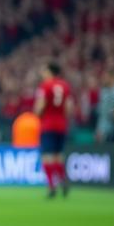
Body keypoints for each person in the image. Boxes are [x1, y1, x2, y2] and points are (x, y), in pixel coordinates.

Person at [34, 61, 73, 199]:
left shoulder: (45, 86)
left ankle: (51, 186)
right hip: (62, 125)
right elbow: (69, 107)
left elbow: (40, 106)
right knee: (58, 156)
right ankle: (63, 180)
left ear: (50, 72)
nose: (42, 74)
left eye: (44, 71)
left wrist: (37, 114)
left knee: (47, 156)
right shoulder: (65, 86)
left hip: (48, 124)